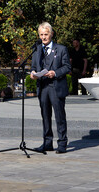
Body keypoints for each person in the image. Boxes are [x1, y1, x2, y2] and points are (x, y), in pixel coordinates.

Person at [29, 22, 71, 153]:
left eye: (46, 34)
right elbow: (34, 67)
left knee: (59, 116)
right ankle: (47, 143)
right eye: (41, 35)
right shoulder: (37, 50)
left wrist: (55, 73)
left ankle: (62, 143)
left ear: (51, 34)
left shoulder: (61, 49)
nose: (43, 37)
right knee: (45, 116)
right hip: (42, 87)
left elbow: (67, 67)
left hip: (56, 86)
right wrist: (32, 73)